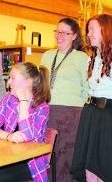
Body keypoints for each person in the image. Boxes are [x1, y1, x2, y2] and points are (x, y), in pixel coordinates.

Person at [70, 14, 112, 182]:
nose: (89, 34)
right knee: (88, 166)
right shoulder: (92, 58)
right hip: (91, 115)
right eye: (88, 30)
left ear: (106, 31)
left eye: (93, 29)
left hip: (109, 118)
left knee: (105, 168)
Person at [40, 17, 89, 182]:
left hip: (72, 114)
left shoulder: (82, 57)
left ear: (74, 36)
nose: (59, 35)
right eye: (57, 31)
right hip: (47, 111)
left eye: (64, 32)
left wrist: (80, 109)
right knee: (46, 152)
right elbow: (41, 82)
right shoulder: (47, 55)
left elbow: (87, 87)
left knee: (67, 154)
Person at [0, 62, 51, 182]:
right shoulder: (8, 100)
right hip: (7, 157)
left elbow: (26, 135)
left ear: (28, 82)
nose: (8, 82)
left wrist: (23, 102)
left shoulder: (42, 107)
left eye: (13, 78)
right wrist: (9, 136)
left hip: (29, 163)